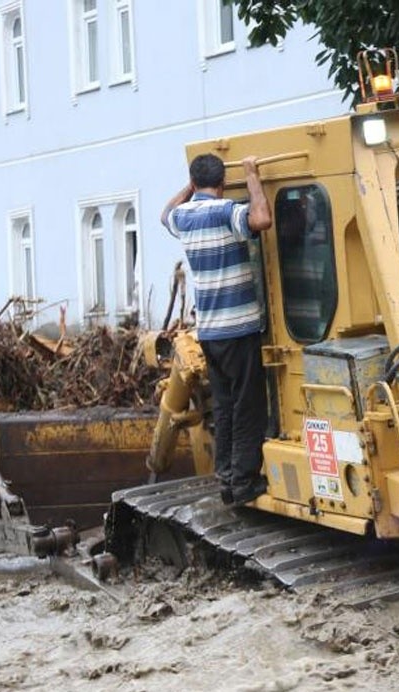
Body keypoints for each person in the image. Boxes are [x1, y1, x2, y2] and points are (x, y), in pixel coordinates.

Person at [162, 153, 273, 505]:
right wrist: (253, 176)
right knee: (248, 405)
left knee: (224, 405)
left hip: (209, 332)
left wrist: (190, 188)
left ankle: (225, 476)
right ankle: (243, 482)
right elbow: (262, 219)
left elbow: (165, 213)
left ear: (194, 184)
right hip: (239, 329)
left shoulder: (183, 217)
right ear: (223, 184)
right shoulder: (227, 212)